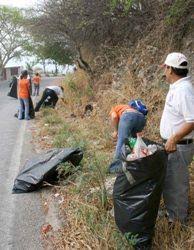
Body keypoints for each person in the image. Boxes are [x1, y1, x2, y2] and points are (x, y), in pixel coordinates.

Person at [160, 52, 194, 224]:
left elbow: (192, 120)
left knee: (177, 183)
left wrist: (173, 138)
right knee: (170, 180)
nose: (164, 70)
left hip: (179, 145)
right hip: (174, 143)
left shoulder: (184, 90)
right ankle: (172, 215)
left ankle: (179, 221)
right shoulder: (178, 86)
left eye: (165, 67)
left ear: (171, 69)